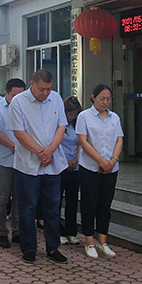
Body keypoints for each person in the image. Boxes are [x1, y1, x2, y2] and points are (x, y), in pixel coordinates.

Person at [9, 69, 68, 264]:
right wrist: (40, 152)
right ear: (32, 84)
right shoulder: (18, 102)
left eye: (49, 89)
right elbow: (19, 132)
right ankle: (29, 248)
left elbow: (61, 126)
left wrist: (50, 150)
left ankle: (53, 247)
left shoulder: (56, 98)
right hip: (27, 165)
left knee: (53, 208)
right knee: (28, 208)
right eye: (42, 89)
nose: (45, 93)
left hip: (53, 164)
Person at [76, 84, 124, 259]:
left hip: (110, 168)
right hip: (90, 167)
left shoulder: (114, 117)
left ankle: (102, 241)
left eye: (108, 99)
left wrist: (113, 160)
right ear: (93, 97)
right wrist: (101, 161)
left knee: (105, 205)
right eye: (102, 98)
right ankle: (89, 241)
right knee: (89, 204)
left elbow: (119, 140)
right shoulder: (84, 116)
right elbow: (83, 141)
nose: (105, 102)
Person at [0, 78, 26, 248]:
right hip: (3, 160)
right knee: (2, 198)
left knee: (19, 198)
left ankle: (17, 231)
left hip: (22, 161)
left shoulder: (26, 108)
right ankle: (1, 231)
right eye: (14, 95)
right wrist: (12, 146)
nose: (18, 99)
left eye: (21, 95)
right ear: (7, 93)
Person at [59, 96, 82, 245]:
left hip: (75, 166)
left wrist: (75, 160)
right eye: (70, 113)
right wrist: (65, 162)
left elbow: (81, 143)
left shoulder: (77, 125)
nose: (72, 116)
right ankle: (58, 231)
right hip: (60, 166)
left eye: (75, 113)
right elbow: (56, 144)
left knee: (72, 200)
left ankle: (71, 231)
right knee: (57, 200)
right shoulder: (59, 125)